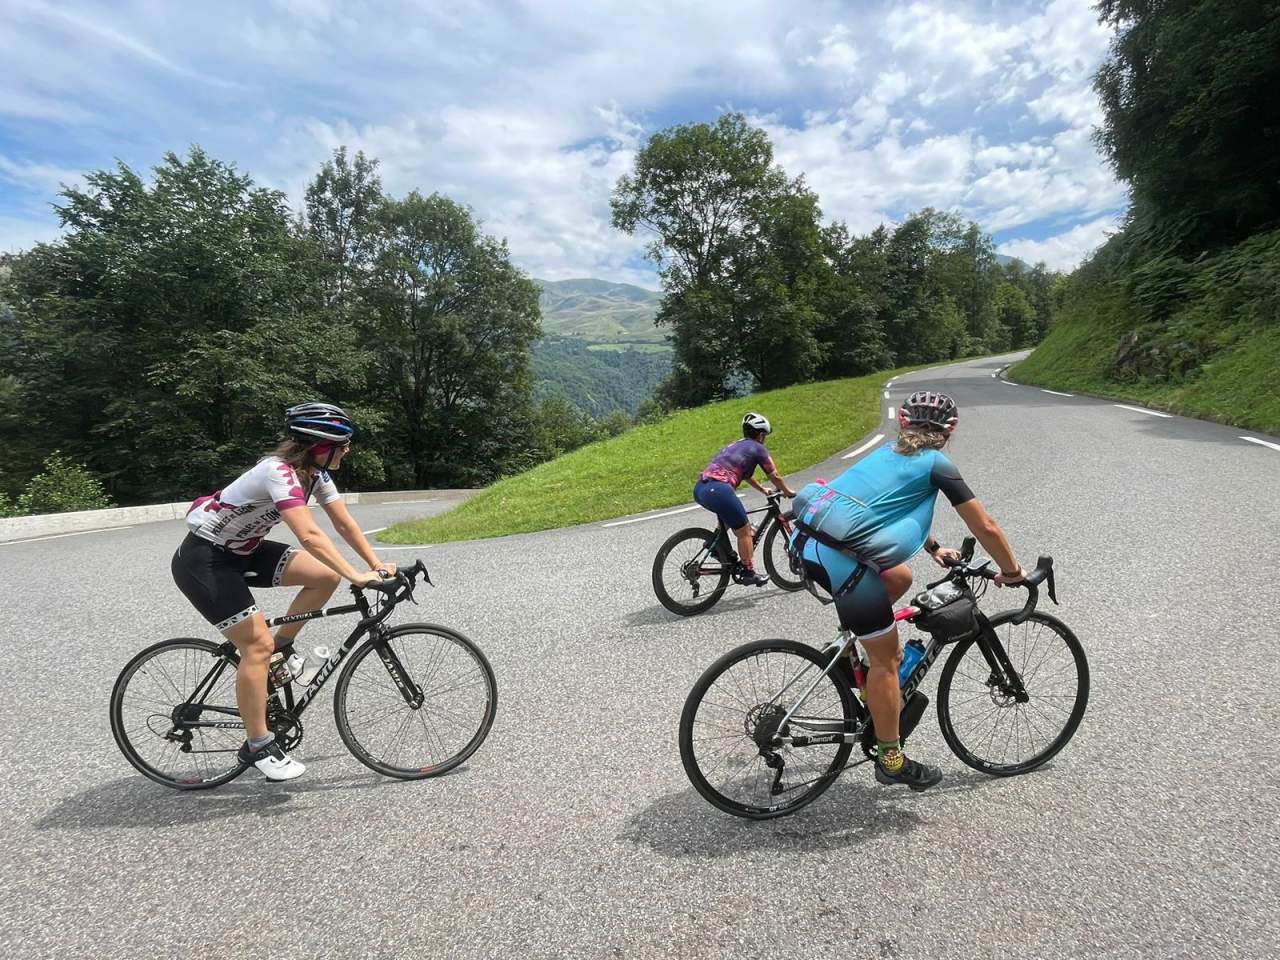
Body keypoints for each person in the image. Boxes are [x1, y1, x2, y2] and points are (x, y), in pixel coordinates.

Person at [795, 391, 1024, 791]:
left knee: (899, 575)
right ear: (949, 431)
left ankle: (845, 645)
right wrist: (1012, 571)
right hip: (842, 561)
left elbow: (879, 508)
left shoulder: (887, 453)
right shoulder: (937, 464)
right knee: (888, 658)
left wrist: (934, 549)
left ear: (904, 423)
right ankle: (891, 759)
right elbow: (984, 526)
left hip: (807, 546)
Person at [171, 401, 393, 781]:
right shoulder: (279, 473)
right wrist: (358, 576)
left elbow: (343, 523)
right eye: (344, 444)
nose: (348, 450)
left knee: (325, 577)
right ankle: (258, 744)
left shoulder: (316, 476)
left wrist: (375, 565)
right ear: (321, 446)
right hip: (205, 559)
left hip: (244, 551)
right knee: (253, 647)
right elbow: (308, 534)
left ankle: (281, 649)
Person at [694, 412, 797, 587]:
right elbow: (775, 475)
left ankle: (718, 549)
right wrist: (787, 491)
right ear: (761, 434)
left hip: (701, 488)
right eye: (765, 435)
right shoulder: (758, 448)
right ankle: (748, 572)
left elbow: (746, 475)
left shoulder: (737, 445)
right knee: (744, 530)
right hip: (719, 489)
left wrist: (763, 489)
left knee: (728, 519)